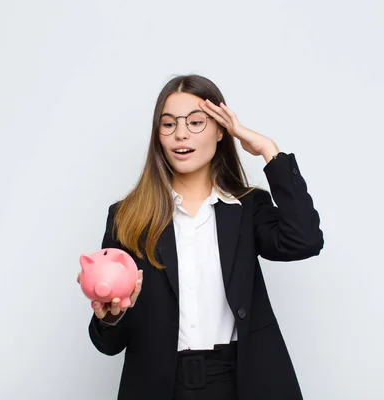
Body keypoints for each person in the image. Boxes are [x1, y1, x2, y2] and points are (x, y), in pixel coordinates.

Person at [78, 74, 324, 400]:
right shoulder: (128, 217)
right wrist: (111, 315)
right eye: (168, 124)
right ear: (158, 135)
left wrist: (268, 151)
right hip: (160, 386)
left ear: (221, 129)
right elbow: (108, 344)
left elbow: (304, 239)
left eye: (196, 122)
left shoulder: (247, 208)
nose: (181, 134)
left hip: (242, 382)